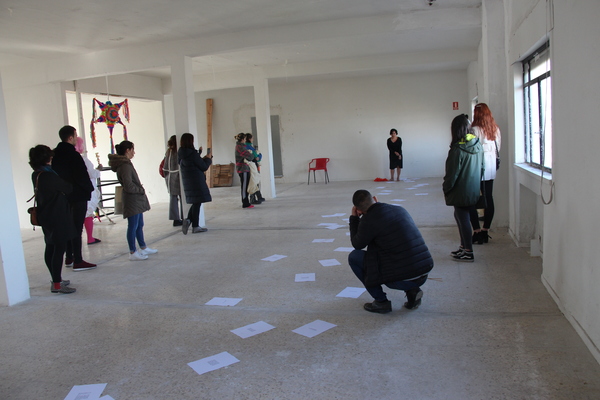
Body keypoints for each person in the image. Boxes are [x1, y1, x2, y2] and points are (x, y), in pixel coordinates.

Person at [348, 189, 434, 314]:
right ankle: (413, 291)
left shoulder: (368, 221)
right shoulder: (399, 209)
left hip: (402, 279)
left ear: (359, 210)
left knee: (354, 257)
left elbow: (357, 245)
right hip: (424, 271)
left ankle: (381, 302)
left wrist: (354, 218)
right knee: (395, 251)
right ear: (375, 199)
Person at [29, 145, 77, 294]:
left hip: (46, 215)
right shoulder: (49, 176)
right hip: (57, 216)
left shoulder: (36, 174)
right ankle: (57, 284)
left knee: (50, 247)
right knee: (59, 249)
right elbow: (68, 188)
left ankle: (56, 279)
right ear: (46, 158)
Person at [52, 125, 96, 271]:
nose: (76, 139)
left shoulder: (55, 155)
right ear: (70, 137)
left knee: (68, 226)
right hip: (77, 196)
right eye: (75, 136)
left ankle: (69, 256)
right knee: (77, 228)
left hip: (63, 196)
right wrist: (88, 189)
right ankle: (78, 260)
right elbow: (81, 175)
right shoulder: (73, 155)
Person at [443, 114, 484, 262]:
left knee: (463, 219)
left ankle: (468, 251)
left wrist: (446, 188)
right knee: (460, 216)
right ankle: (463, 247)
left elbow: (452, 174)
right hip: (473, 188)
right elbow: (482, 168)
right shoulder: (477, 145)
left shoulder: (457, 149)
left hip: (460, 190)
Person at [108, 141, 158, 261]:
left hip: (136, 199)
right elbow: (128, 185)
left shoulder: (126, 164)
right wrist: (140, 190)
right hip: (132, 200)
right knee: (133, 225)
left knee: (139, 224)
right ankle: (132, 251)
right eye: (132, 150)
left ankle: (143, 247)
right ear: (127, 150)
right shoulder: (124, 166)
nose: (134, 153)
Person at [469, 103, 501, 244]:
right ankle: (485, 230)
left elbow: (470, 149)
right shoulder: (495, 129)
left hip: (476, 167)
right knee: (488, 197)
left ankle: (476, 231)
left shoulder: (474, 130)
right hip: (491, 166)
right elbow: (498, 148)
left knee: (472, 199)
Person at [178, 133, 212, 234]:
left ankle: (189, 220)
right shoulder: (193, 154)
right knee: (197, 203)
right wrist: (208, 159)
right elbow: (203, 166)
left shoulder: (181, 154)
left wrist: (200, 155)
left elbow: (192, 162)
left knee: (195, 202)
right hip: (197, 181)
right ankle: (195, 226)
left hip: (188, 182)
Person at [75, 137, 102, 245]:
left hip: (76, 191)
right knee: (88, 213)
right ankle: (90, 237)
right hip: (87, 190)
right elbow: (92, 173)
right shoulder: (84, 160)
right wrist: (98, 170)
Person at [163, 135, 183, 227]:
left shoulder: (169, 151)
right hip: (178, 176)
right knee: (182, 198)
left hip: (170, 176)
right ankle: (184, 216)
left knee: (173, 198)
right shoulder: (178, 151)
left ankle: (175, 219)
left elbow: (165, 165)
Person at [234, 132, 255, 209]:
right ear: (243, 139)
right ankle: (245, 202)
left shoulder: (242, 146)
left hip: (245, 168)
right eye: (245, 139)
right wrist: (252, 155)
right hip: (243, 169)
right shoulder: (240, 147)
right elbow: (250, 156)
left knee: (246, 185)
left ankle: (246, 201)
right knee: (244, 186)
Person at [245, 133, 265, 205]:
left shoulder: (250, 146)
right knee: (253, 181)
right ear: (249, 139)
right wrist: (257, 157)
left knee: (255, 180)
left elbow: (257, 154)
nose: (253, 139)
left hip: (254, 165)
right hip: (252, 165)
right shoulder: (247, 147)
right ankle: (253, 199)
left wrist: (258, 157)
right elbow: (253, 156)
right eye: (252, 138)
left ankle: (259, 196)